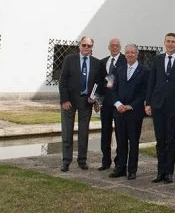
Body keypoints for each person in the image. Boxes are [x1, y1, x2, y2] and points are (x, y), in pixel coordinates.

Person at [145, 32, 175, 183]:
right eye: (168, 41)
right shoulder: (157, 59)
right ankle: (160, 171)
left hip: (174, 106)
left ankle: (170, 172)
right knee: (160, 139)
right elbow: (151, 82)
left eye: (173, 42)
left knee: (171, 139)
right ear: (164, 43)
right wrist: (148, 103)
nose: (170, 44)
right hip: (158, 105)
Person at [58, 36, 101, 172]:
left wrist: (95, 99)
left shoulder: (96, 63)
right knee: (67, 131)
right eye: (84, 45)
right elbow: (63, 81)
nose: (86, 48)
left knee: (84, 133)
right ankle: (66, 161)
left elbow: (98, 83)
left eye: (89, 46)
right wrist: (64, 100)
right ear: (79, 46)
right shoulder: (69, 59)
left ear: (92, 47)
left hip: (85, 101)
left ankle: (82, 160)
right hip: (69, 101)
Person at [109, 44, 149, 179]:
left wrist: (131, 106)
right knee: (120, 141)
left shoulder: (144, 71)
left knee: (133, 142)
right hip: (119, 112)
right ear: (124, 54)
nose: (130, 54)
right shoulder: (118, 70)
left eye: (133, 52)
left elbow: (145, 93)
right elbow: (112, 89)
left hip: (134, 112)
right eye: (127, 52)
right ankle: (120, 168)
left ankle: (132, 170)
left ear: (137, 54)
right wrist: (118, 104)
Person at [96, 38, 126, 171]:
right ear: (109, 47)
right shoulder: (103, 62)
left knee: (120, 133)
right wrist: (98, 101)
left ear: (120, 47)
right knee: (105, 132)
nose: (115, 48)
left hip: (119, 102)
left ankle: (119, 162)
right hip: (106, 104)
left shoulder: (125, 60)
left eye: (117, 46)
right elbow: (99, 83)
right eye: (112, 46)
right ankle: (105, 160)